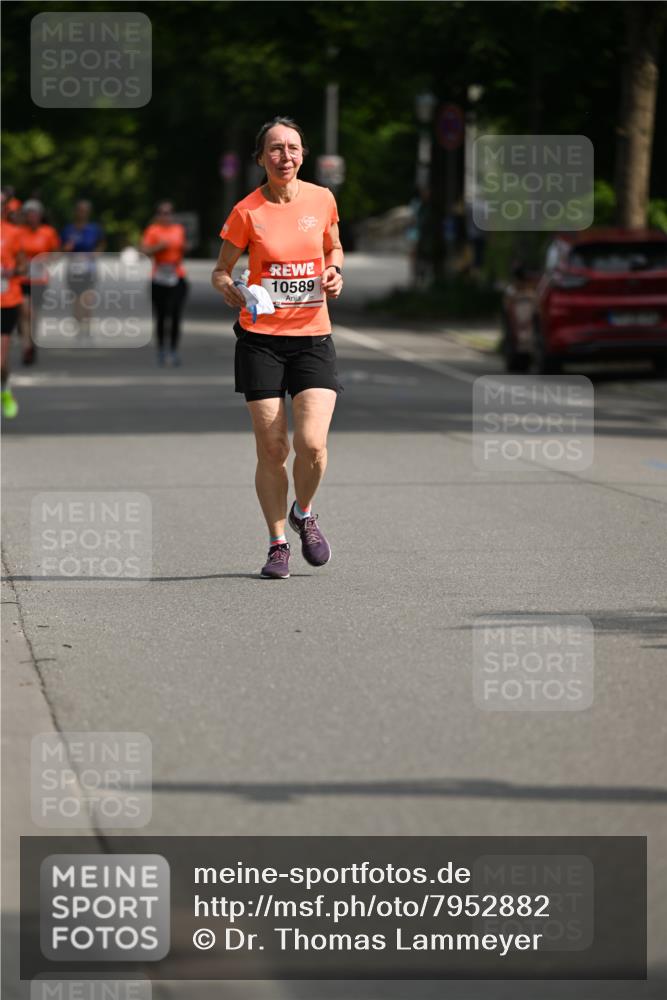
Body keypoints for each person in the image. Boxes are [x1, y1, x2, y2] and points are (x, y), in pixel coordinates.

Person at [212, 116, 344, 580]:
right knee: (272, 448)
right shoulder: (247, 211)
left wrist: (334, 273)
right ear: (260, 158)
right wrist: (229, 287)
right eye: (274, 149)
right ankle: (277, 544)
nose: (284, 156)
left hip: (312, 337)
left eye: (292, 148)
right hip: (260, 341)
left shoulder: (322, 199)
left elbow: (334, 248)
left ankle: (303, 512)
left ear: (303, 154)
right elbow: (221, 270)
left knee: (311, 445)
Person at [141, 201, 188, 366]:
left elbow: (184, 248)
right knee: (161, 316)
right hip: (159, 276)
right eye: (162, 212)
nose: (166, 215)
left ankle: (173, 350)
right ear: (157, 214)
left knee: (175, 315)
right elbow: (144, 251)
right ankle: (161, 349)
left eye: (169, 212)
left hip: (177, 275)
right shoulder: (153, 230)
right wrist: (158, 247)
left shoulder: (178, 230)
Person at [19, 199, 60, 365]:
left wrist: (46, 259)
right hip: (21, 278)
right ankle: (26, 346)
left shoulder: (48, 232)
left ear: (40, 216)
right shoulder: (19, 232)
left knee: (33, 314)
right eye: (29, 214)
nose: (32, 217)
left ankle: (32, 341)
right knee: (25, 313)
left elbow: (57, 253)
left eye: (35, 214)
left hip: (40, 279)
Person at [61, 200, 106, 339]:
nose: (82, 213)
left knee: (87, 299)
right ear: (76, 211)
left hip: (89, 268)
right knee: (75, 300)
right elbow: (61, 248)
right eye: (80, 210)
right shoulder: (69, 229)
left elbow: (102, 244)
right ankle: (78, 329)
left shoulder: (94, 229)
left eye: (85, 210)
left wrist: (96, 253)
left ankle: (87, 330)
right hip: (73, 268)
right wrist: (66, 249)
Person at [1, 192, 27, 418]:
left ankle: (4, 390)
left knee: (0, 362)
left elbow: (23, 267)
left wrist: (11, 272)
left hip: (7, 300)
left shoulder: (14, 233)